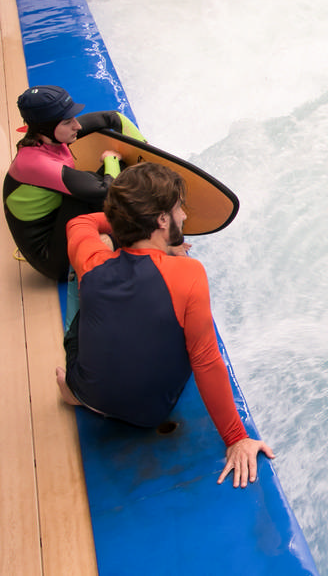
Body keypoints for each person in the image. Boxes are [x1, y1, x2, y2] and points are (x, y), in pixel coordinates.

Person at [54, 162, 274, 488]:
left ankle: (74, 391)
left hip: (91, 395)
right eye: (178, 209)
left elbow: (79, 222)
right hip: (152, 411)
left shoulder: (94, 263)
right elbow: (205, 360)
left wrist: (119, 221)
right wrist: (236, 438)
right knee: (177, 313)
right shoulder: (189, 273)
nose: (184, 215)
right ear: (161, 220)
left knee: (85, 270)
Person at [4, 85, 146, 280]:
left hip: (55, 224)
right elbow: (106, 190)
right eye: (68, 121)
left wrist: (144, 148)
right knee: (95, 186)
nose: (77, 126)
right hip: (53, 261)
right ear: (45, 128)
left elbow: (112, 117)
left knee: (91, 183)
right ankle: (122, 238)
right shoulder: (36, 164)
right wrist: (111, 160)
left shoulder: (46, 137)